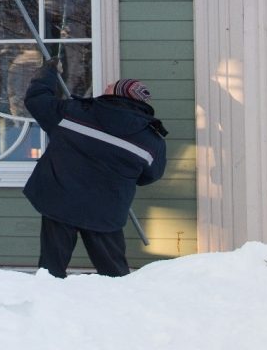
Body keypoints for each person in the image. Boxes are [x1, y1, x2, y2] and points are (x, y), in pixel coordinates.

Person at [23, 58, 167, 278]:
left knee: (51, 272)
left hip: (60, 202)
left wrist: (47, 74)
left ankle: (47, 305)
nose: (106, 86)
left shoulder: (74, 113)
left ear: (117, 94)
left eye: (110, 86)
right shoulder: (152, 141)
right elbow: (150, 175)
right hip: (106, 211)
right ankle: (120, 307)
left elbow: (37, 100)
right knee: (114, 274)